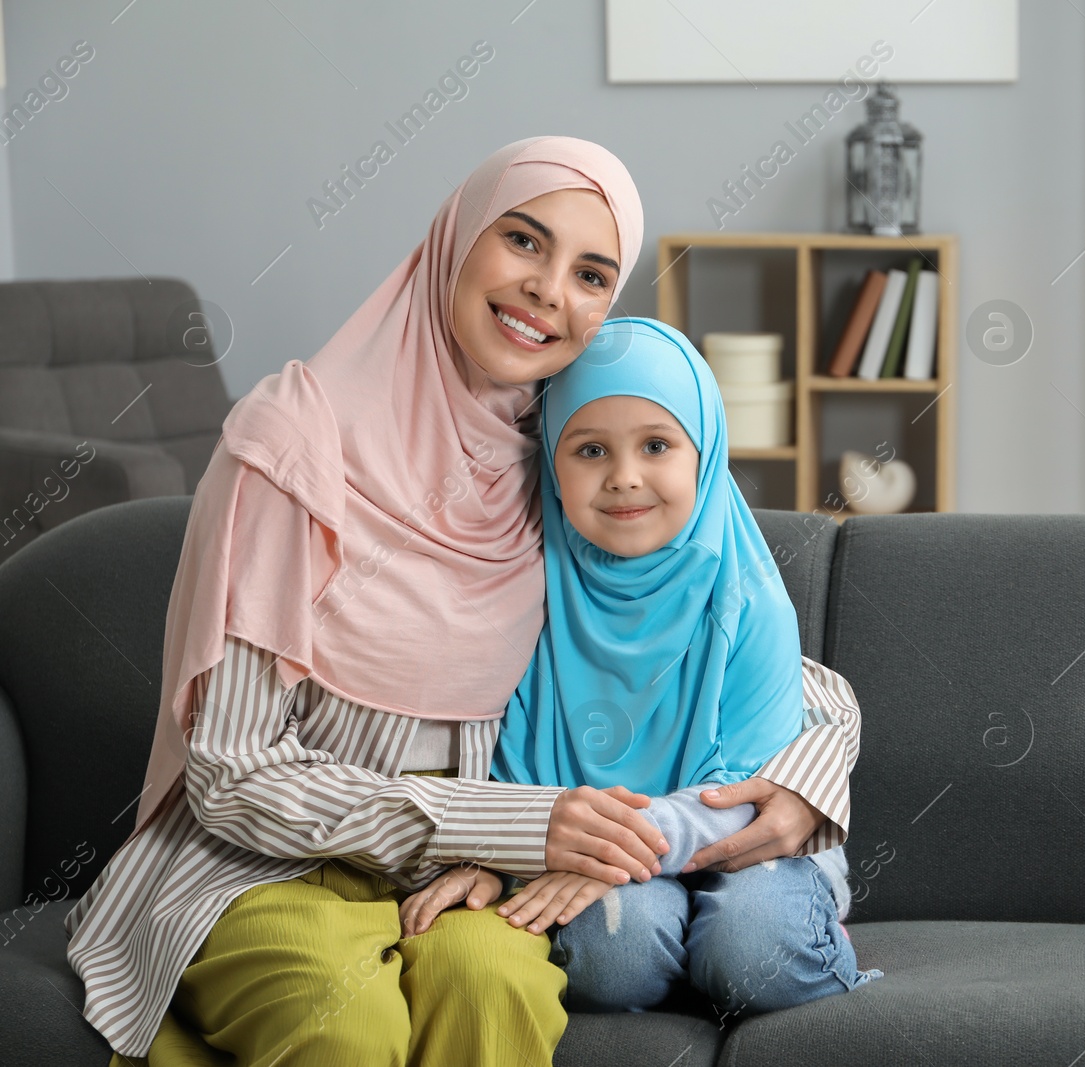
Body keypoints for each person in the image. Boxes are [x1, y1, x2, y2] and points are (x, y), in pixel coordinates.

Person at [64, 137, 863, 1067]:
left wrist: (808, 776)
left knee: (500, 988)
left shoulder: (546, 461)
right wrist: (516, 824)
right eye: (524, 241)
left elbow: (712, 648)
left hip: (456, 878)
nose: (548, 289)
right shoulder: (291, 449)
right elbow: (233, 775)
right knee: (350, 1023)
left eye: (592, 274)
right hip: (258, 868)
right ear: (457, 236)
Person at [399, 319, 881, 1021]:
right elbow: (503, 763)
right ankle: (684, 953)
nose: (624, 476)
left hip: (732, 844)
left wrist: (607, 843)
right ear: (552, 468)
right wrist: (494, 853)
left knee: (754, 947)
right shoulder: (521, 595)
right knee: (613, 958)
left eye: (656, 445)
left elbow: (745, 796)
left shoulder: (749, 598)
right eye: (590, 449)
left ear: (704, 452)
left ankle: (746, 945)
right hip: (587, 857)